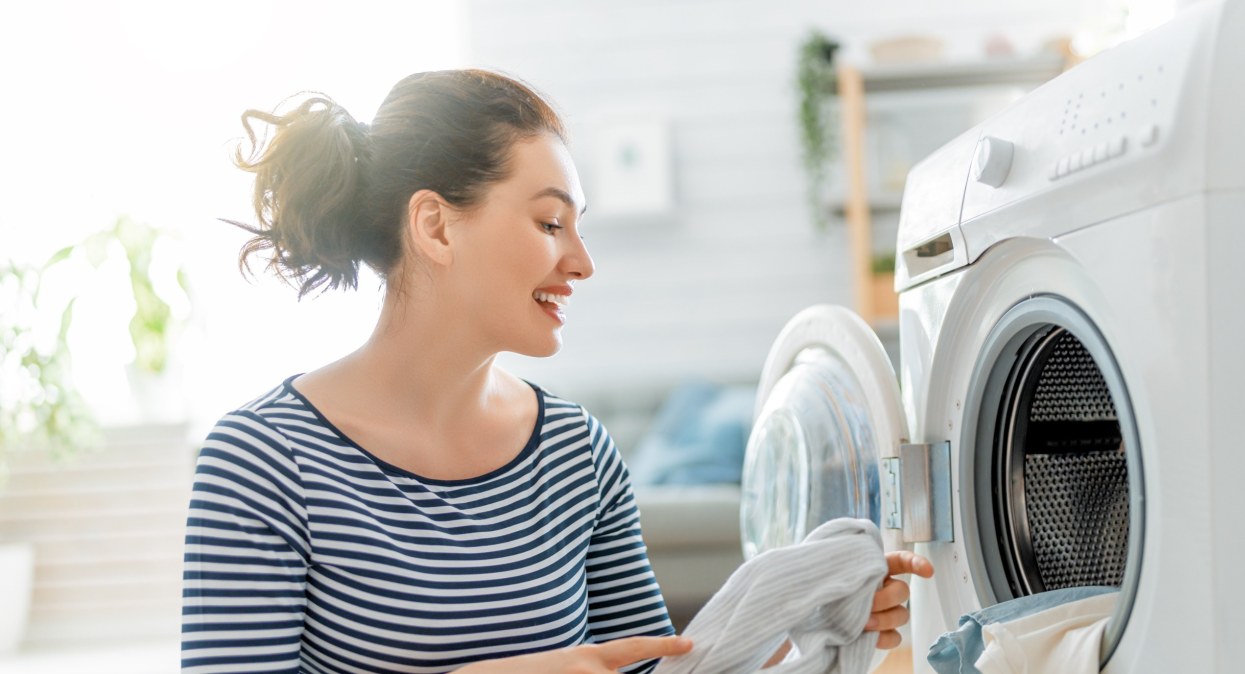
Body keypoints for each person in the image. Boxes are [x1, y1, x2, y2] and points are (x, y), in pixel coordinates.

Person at [181, 69, 933, 674]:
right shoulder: (261, 463)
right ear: (436, 227)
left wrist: (788, 636)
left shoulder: (576, 451)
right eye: (549, 223)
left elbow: (648, 669)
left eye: (578, 227)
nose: (582, 261)